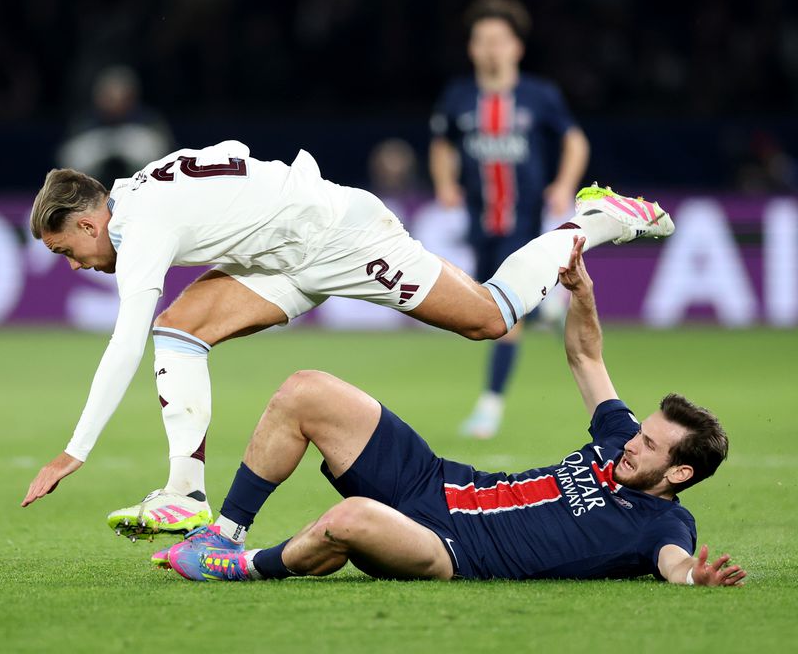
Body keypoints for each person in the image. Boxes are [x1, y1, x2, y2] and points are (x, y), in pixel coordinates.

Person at [20, 140, 673, 542]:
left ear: (87, 219)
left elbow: (122, 344)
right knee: (181, 332)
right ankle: (184, 496)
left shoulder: (142, 225)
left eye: (67, 249)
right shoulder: (136, 195)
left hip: (340, 237)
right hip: (285, 251)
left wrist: (73, 450)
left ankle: (598, 219)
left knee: (491, 318)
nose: (74, 264)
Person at [160, 236, 743, 587]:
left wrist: (695, 576)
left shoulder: (663, 526)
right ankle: (223, 535)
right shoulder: (620, 442)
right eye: (641, 431)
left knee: (353, 518)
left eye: (650, 445)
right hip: (435, 481)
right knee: (307, 389)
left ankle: (241, 568)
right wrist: (583, 295)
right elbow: (587, 358)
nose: (633, 442)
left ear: (680, 474)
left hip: (450, 550)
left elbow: (673, 563)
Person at [429, 0, 590, 439]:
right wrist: (445, 182)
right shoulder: (459, 97)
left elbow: (575, 141)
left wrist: (563, 184)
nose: (491, 48)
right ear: (471, 48)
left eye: (500, 39)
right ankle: (546, 308)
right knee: (491, 306)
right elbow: (441, 143)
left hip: (524, 221)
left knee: (502, 313)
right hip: (481, 224)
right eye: (482, 40)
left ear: (517, 47)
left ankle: (490, 404)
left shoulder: (540, 96)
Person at [57, 65, 174, 189]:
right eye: (108, 97)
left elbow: (167, 161)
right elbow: (66, 162)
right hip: (92, 193)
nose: (114, 104)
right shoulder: (84, 124)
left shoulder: (149, 122)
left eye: (122, 98)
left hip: (142, 191)